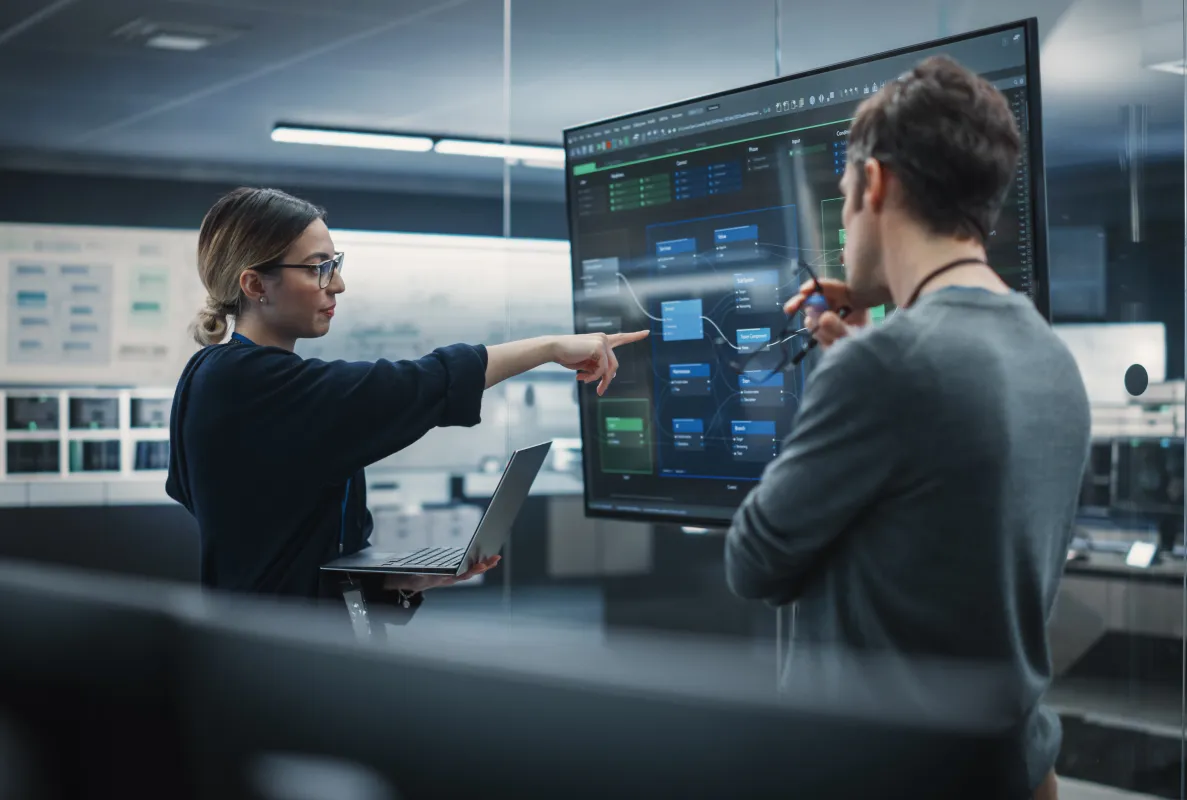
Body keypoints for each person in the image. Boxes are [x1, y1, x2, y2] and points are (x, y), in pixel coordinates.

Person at [723, 56, 1089, 800]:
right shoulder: (1052, 359)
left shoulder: (884, 369)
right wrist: (869, 347)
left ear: (875, 183)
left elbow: (752, 563)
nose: (844, 220)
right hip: (1010, 773)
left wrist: (849, 370)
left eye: (843, 197)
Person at [166, 187, 647, 614]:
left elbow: (288, 543)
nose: (337, 284)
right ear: (255, 285)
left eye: (336, 264)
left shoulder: (225, 376)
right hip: (275, 654)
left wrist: (398, 581)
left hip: (303, 644)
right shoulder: (244, 381)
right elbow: (417, 385)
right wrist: (549, 347)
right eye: (318, 268)